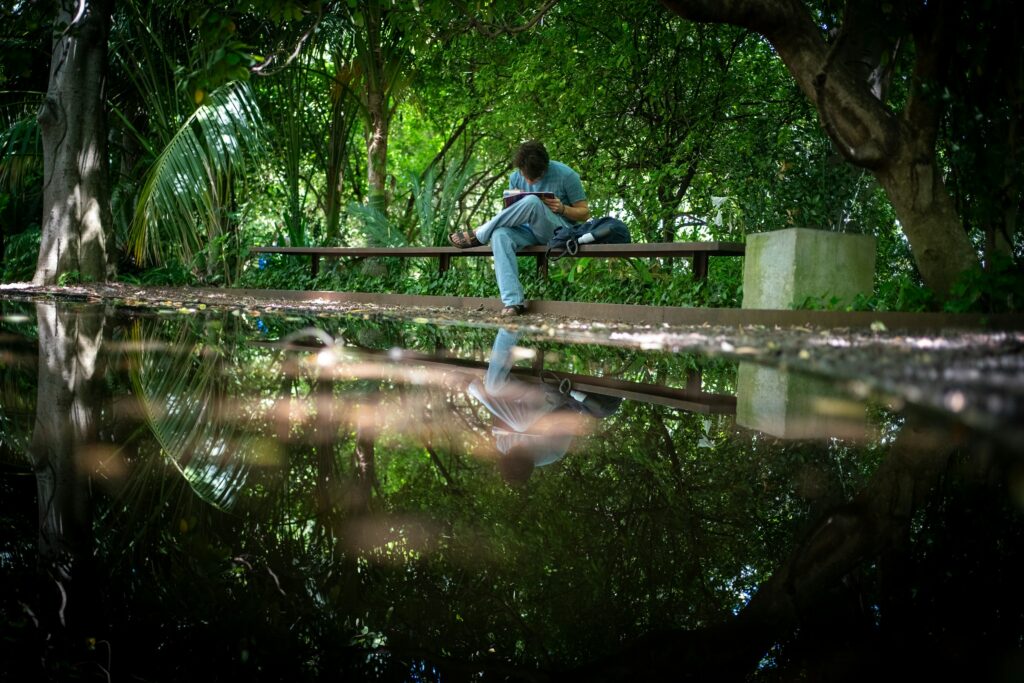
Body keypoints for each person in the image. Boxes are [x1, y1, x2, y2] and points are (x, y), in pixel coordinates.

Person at [448, 141, 590, 316]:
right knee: (500, 234)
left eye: (535, 178)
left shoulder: (566, 175)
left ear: (545, 168)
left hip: (558, 233)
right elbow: (510, 214)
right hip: (527, 232)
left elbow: (584, 214)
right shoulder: (515, 177)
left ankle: (480, 233)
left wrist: (562, 208)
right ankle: (513, 303)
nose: (529, 181)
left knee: (531, 201)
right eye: (525, 176)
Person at [467, 328, 622, 485]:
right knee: (521, 425)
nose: (513, 447)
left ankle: (510, 329)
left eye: (511, 451)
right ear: (531, 460)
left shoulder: (503, 446)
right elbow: (566, 420)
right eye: (521, 451)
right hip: (555, 401)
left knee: (494, 387)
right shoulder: (551, 453)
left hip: (525, 396)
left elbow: (502, 413)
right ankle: (475, 390)